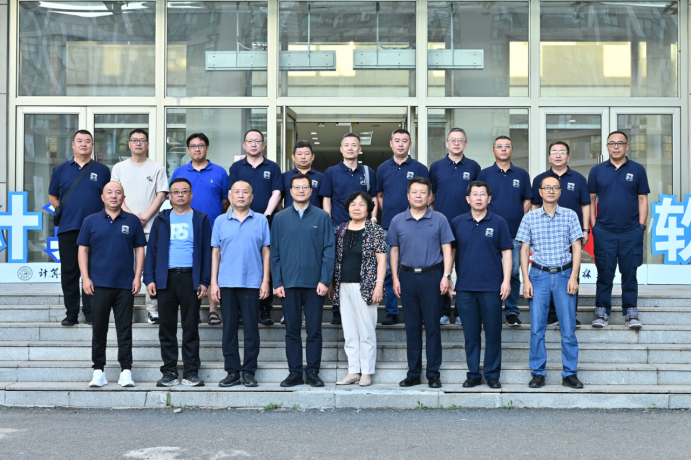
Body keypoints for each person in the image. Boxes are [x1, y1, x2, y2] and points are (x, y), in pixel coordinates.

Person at [77, 182, 146, 388]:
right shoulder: (90, 221)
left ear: (123, 197)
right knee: (99, 329)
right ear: (102, 197)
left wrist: (137, 276)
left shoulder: (132, 221)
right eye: (109, 192)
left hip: (125, 284)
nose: (113, 196)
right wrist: (85, 278)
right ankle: (98, 370)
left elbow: (140, 249)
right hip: (98, 284)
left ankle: (126, 370)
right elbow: (82, 250)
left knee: (124, 329)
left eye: (118, 193)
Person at [518, 176, 584, 389]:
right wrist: (526, 280)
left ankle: (570, 373)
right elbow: (524, 250)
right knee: (537, 328)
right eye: (547, 187)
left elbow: (577, 247)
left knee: (568, 328)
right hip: (539, 276)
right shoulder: (530, 218)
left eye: (555, 187)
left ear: (560, 191)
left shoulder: (570, 215)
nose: (551, 191)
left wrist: (574, 276)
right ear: (540, 191)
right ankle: (538, 372)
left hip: (564, 275)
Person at [143, 178, 211, 388]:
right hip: (166, 279)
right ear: (169, 196)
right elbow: (151, 252)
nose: (180, 195)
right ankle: (169, 371)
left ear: (191, 195)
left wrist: (204, 281)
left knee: (191, 327)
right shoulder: (161, 219)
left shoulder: (201, 219)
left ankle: (191, 372)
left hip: (191, 278)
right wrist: (149, 278)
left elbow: (206, 252)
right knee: (167, 327)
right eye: (176, 192)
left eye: (184, 191)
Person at [388, 177, 454, 389]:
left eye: (423, 192)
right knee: (412, 328)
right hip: (407, 277)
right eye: (414, 192)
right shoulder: (397, 220)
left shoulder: (440, 219)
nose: (418, 196)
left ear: (430, 196)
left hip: (432, 276)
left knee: (433, 327)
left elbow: (447, 249)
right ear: (408, 195)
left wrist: (446, 276)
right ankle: (413, 373)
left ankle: (433, 374)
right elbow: (394, 251)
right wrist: (395, 278)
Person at [271, 174, 335, 388]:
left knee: (314, 330)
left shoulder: (322, 216)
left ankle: (313, 371)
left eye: (304, 187)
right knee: (292, 330)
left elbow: (329, 250)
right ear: (290, 191)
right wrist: (277, 282)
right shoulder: (280, 218)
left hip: (315, 283)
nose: (300, 190)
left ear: (311, 191)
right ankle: (295, 372)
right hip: (288, 283)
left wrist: (325, 280)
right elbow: (275, 252)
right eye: (296, 187)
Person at [451, 181, 512, 389]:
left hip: (492, 287)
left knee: (493, 333)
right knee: (471, 334)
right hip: (465, 287)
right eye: (475, 194)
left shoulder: (499, 222)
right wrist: (447, 277)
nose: (478, 198)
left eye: (482, 194)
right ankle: (473, 374)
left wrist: (506, 281)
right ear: (468, 199)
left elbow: (507, 253)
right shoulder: (457, 222)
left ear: (489, 198)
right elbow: (451, 252)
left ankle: (492, 375)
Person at [210, 180, 271, 388]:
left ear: (252, 197)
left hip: (252, 283)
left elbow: (266, 251)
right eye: (237, 192)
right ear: (230, 196)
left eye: (246, 192)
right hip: (226, 282)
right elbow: (215, 253)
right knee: (229, 330)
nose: (241, 195)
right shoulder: (220, 221)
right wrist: (214, 282)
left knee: (252, 330)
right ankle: (232, 371)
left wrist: (265, 280)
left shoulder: (261, 220)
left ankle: (249, 371)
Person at [48, 130, 111, 326]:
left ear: (92, 146)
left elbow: (109, 197)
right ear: (73, 145)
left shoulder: (103, 170)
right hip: (68, 228)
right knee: (69, 273)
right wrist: (62, 210)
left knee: (93, 272)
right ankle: (71, 313)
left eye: (88, 141)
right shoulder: (60, 170)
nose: (84, 144)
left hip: (96, 230)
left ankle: (91, 312)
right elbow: (53, 196)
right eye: (80, 141)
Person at [588, 131, 650, 329]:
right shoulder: (597, 171)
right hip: (604, 231)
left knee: (629, 274)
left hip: (631, 231)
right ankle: (601, 311)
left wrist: (641, 226)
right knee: (604, 273)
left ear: (627, 146)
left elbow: (643, 199)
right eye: (612, 143)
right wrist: (594, 226)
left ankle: (631, 312)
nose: (616, 146)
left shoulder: (638, 169)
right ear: (607, 147)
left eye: (620, 143)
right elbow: (591, 199)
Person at [170, 133, 229, 326]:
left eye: (201, 145)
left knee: (212, 268)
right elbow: (172, 198)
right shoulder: (179, 172)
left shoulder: (220, 172)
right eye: (193, 146)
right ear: (188, 150)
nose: (197, 149)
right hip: (185, 228)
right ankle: (191, 311)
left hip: (212, 227)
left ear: (207, 148)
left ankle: (213, 310)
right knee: (189, 269)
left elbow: (225, 200)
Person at [111, 128, 169, 325]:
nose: (138, 143)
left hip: (151, 225)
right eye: (134, 140)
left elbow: (161, 195)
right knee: (125, 267)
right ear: (129, 144)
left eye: (142, 140)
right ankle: (124, 309)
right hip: (124, 225)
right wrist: (131, 216)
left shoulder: (157, 167)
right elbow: (115, 194)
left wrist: (145, 216)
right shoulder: (119, 167)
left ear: (148, 144)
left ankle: (153, 310)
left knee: (150, 269)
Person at [329, 191, 387, 387]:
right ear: (347, 207)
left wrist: (379, 284)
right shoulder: (341, 229)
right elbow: (336, 259)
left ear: (368, 208)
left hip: (367, 286)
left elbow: (382, 260)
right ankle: (353, 370)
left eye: (361, 204)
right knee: (350, 331)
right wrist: (332, 283)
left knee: (366, 330)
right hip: (343, 285)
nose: (356, 207)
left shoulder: (375, 230)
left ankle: (367, 372)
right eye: (353, 204)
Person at [319, 132, 378, 324]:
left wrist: (373, 218)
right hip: (339, 226)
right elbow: (327, 199)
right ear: (341, 149)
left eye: (354, 145)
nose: (350, 148)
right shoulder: (331, 172)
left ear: (359, 149)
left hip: (363, 227)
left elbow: (373, 198)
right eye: (347, 145)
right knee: (338, 265)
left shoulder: (368, 172)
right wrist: (328, 222)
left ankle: (363, 301)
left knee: (363, 264)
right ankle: (337, 308)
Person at [531, 141, 591, 327]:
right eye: (554, 152)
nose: (558, 155)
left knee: (572, 272)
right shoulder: (540, 179)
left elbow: (585, 205)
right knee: (547, 273)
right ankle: (551, 316)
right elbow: (534, 205)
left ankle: (570, 314)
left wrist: (585, 229)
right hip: (545, 235)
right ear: (549, 157)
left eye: (562, 152)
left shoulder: (579, 178)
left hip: (571, 233)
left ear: (568, 157)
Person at [228, 129, 282, 326]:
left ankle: (265, 308)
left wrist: (265, 215)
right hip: (241, 221)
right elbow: (232, 193)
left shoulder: (273, 167)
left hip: (266, 221)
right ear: (244, 145)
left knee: (266, 261)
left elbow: (277, 193)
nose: (253, 144)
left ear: (263, 145)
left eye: (257, 141)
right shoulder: (236, 167)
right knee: (244, 261)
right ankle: (242, 310)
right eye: (249, 141)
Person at [477, 136, 533, 327]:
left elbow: (528, 199)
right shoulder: (484, 174)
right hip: (488, 232)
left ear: (512, 150)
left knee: (514, 272)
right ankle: (489, 310)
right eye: (499, 146)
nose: (503, 149)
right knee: (489, 271)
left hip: (515, 232)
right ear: (493, 150)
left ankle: (511, 312)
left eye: (507, 146)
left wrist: (518, 215)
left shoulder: (521, 174)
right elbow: (479, 200)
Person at [376, 129, 429, 326]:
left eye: (404, 141)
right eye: (397, 140)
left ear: (410, 144)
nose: (400, 144)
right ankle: (391, 311)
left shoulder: (420, 168)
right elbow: (379, 195)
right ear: (391, 143)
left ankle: (418, 312)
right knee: (390, 271)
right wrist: (394, 217)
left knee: (417, 269)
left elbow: (428, 195)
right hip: (389, 226)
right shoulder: (383, 168)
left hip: (417, 226)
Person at [429, 127, 481, 326]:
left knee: (465, 268)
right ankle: (443, 311)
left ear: (465, 144)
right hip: (442, 225)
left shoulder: (474, 167)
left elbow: (478, 195)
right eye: (453, 140)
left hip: (467, 224)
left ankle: (461, 311)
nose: (456, 143)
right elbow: (431, 196)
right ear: (447, 144)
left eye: (460, 140)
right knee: (442, 269)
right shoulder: (436, 167)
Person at [283, 140, 323, 209]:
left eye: (307, 154)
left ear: (313, 156)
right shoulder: (284, 176)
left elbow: (325, 200)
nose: (303, 157)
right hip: (289, 215)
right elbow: (278, 199)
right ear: (293, 157)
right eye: (299, 154)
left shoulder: (321, 177)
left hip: (315, 215)